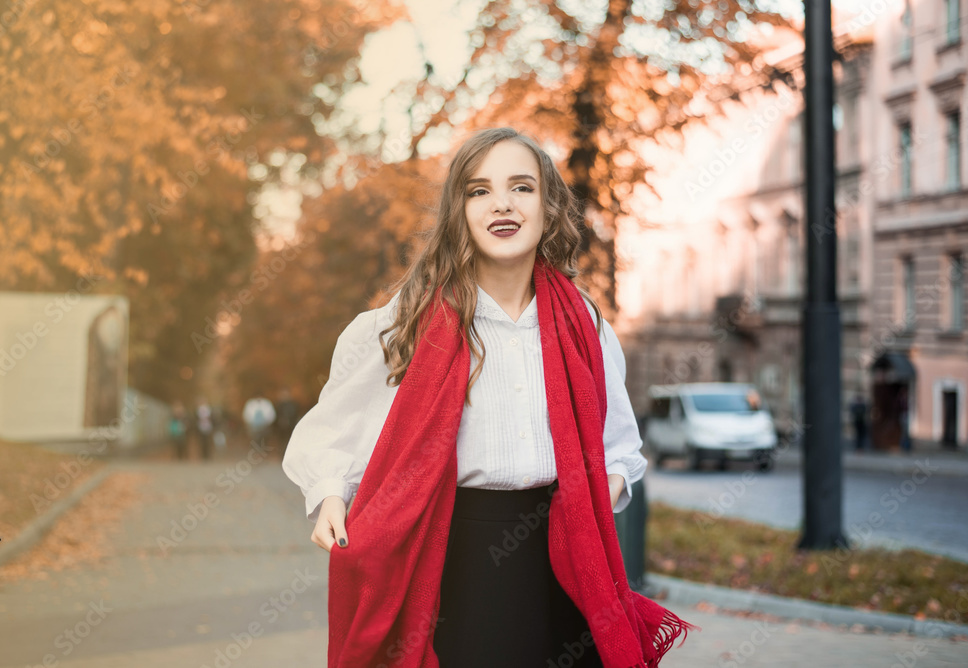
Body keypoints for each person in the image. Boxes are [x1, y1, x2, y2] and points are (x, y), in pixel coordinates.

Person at [282, 127, 695, 667]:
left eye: (521, 187)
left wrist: (589, 499)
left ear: (549, 209)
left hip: (566, 554)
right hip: (459, 553)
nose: (501, 203)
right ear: (460, 212)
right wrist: (332, 492)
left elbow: (618, 445)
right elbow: (336, 422)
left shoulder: (583, 324)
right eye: (479, 191)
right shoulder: (409, 320)